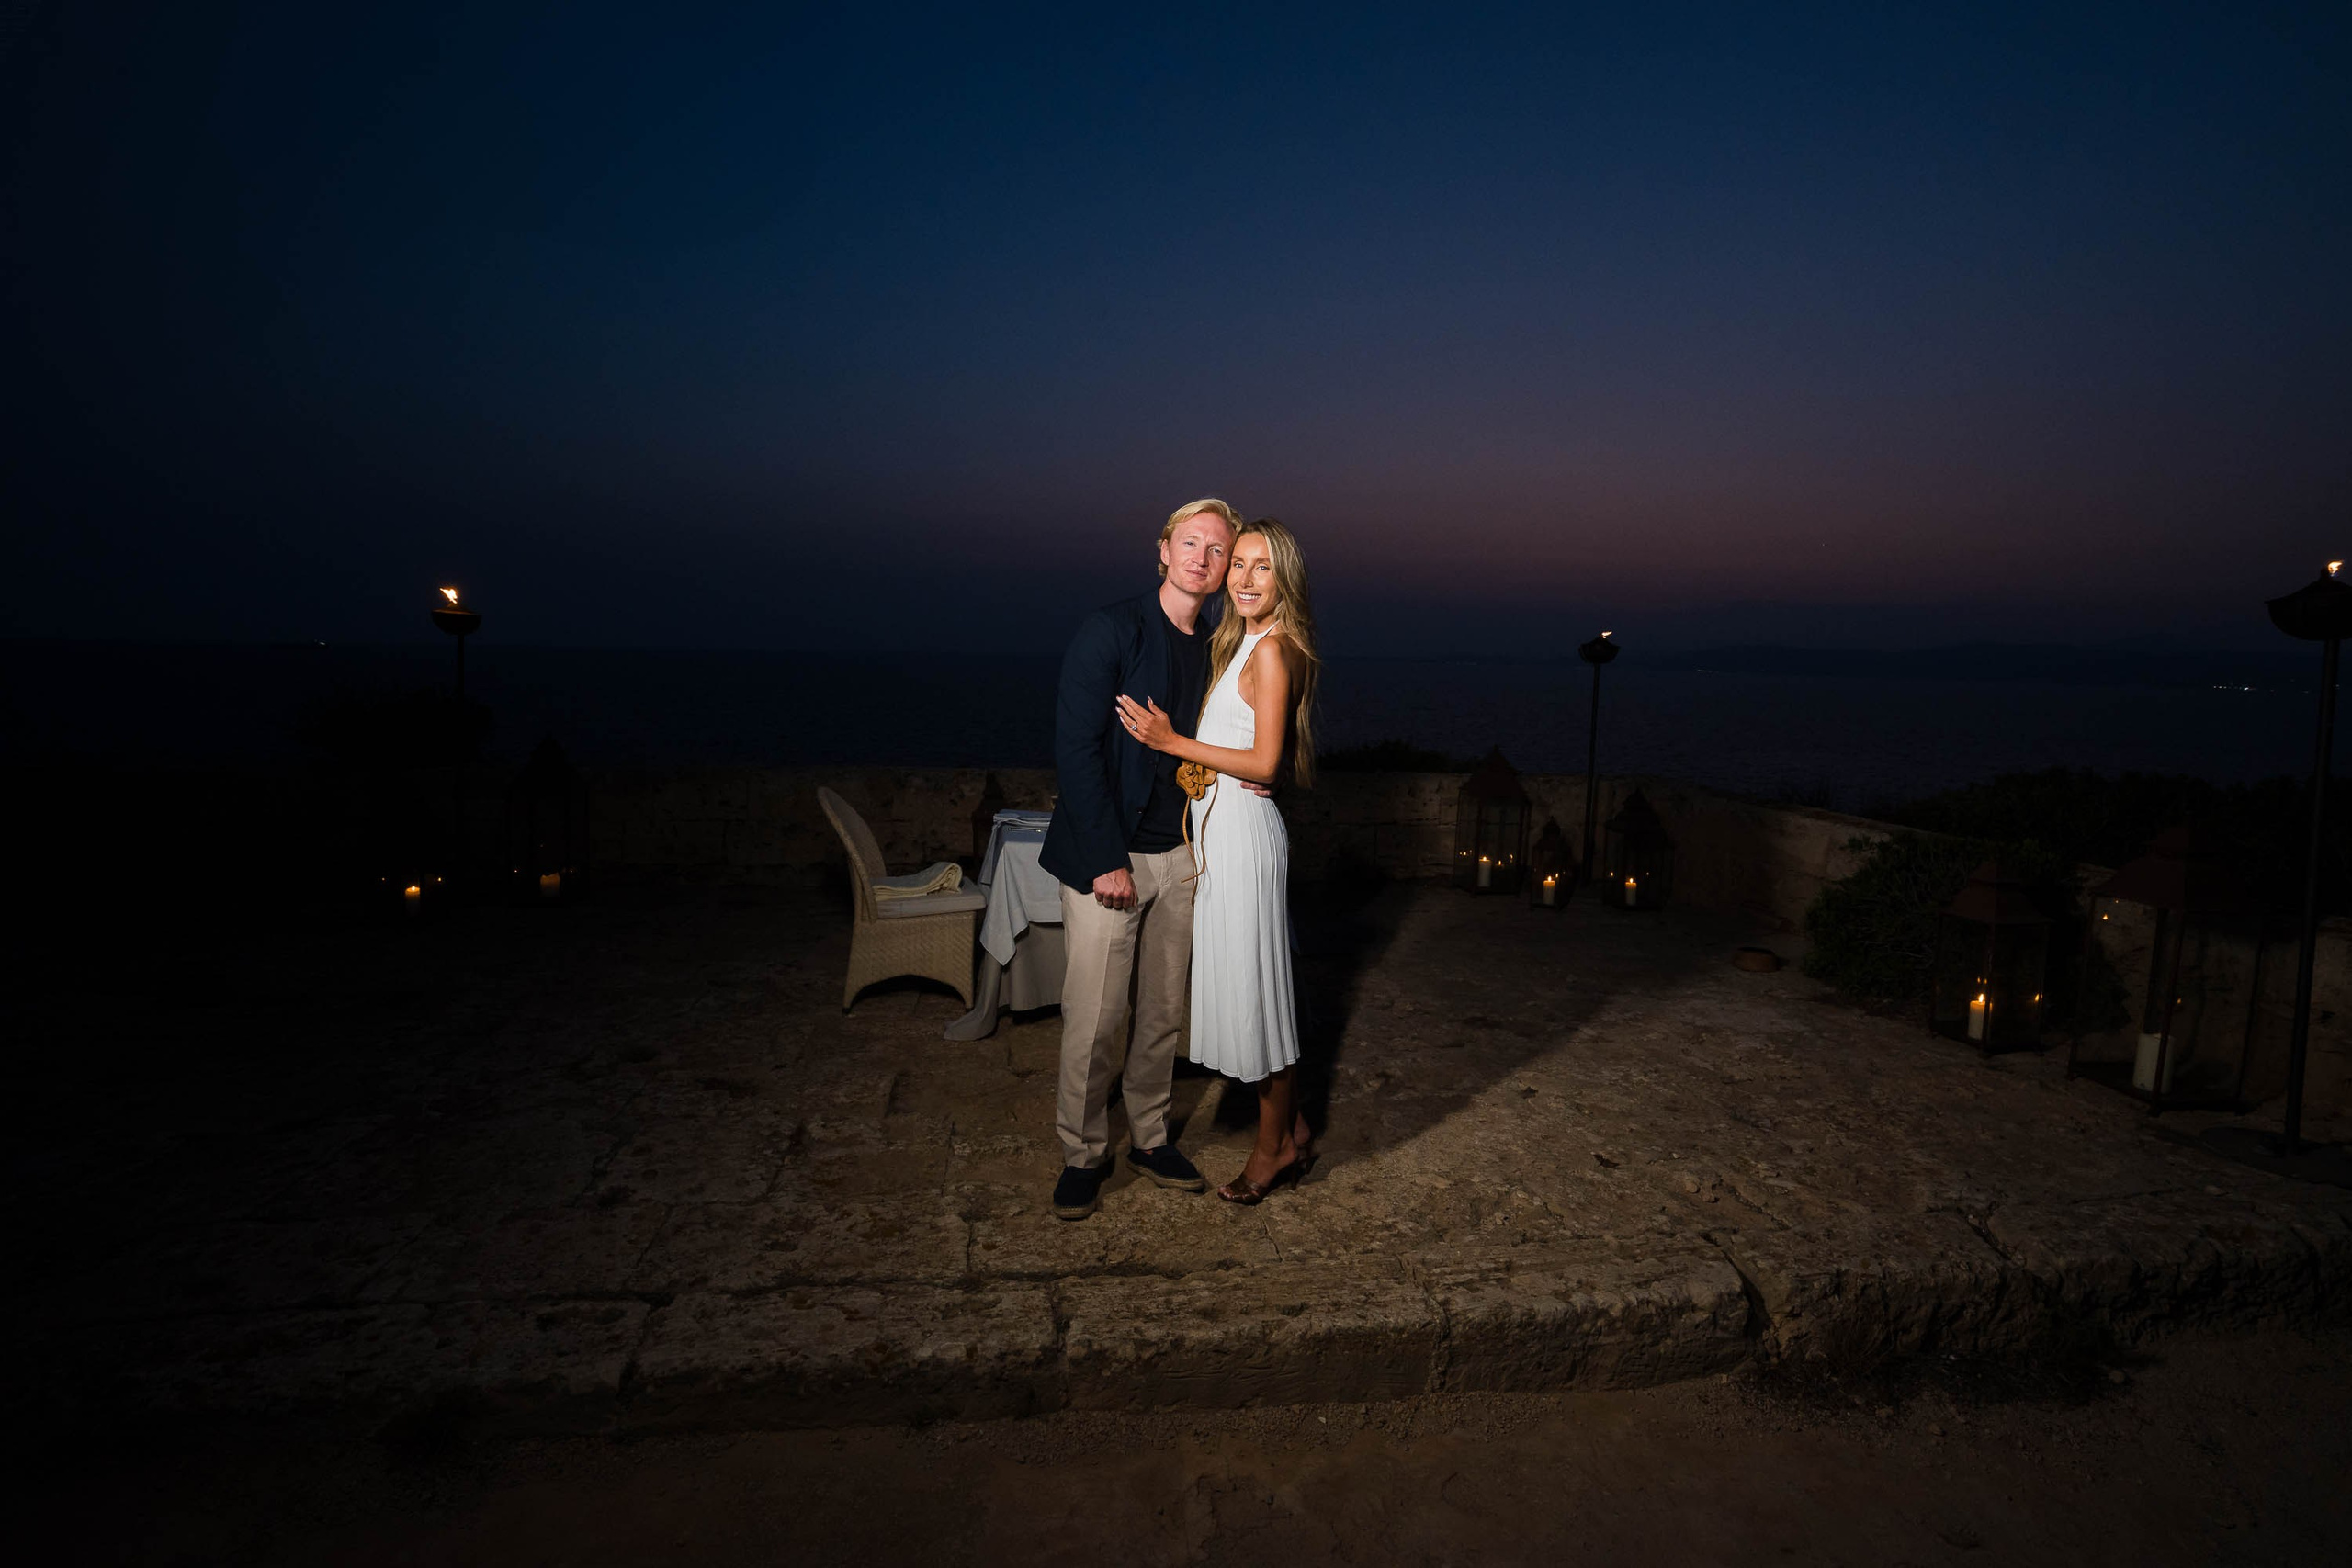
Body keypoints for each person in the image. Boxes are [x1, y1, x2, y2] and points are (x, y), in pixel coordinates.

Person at [1037, 498, 1238, 1221]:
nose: (1203, 558)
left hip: (1179, 856)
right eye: (1191, 542)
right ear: (1162, 549)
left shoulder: (1215, 647)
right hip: (1110, 858)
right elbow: (1077, 749)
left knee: (1160, 1014)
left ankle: (1150, 1137)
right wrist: (1105, 860)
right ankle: (1083, 1152)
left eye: (1218, 550)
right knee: (1094, 1019)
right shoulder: (1111, 629)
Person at [1116, 517, 1320, 1202]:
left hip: (1243, 838)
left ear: (1283, 578)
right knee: (1248, 987)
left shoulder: (1271, 650)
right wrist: (1202, 773)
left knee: (1263, 997)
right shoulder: (1243, 644)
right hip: (1223, 830)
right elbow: (1253, 755)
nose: (1244, 578)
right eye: (1239, 564)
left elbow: (1263, 760)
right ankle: (1291, 1130)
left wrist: (1174, 744)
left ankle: (1273, 1152)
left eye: (1262, 567)